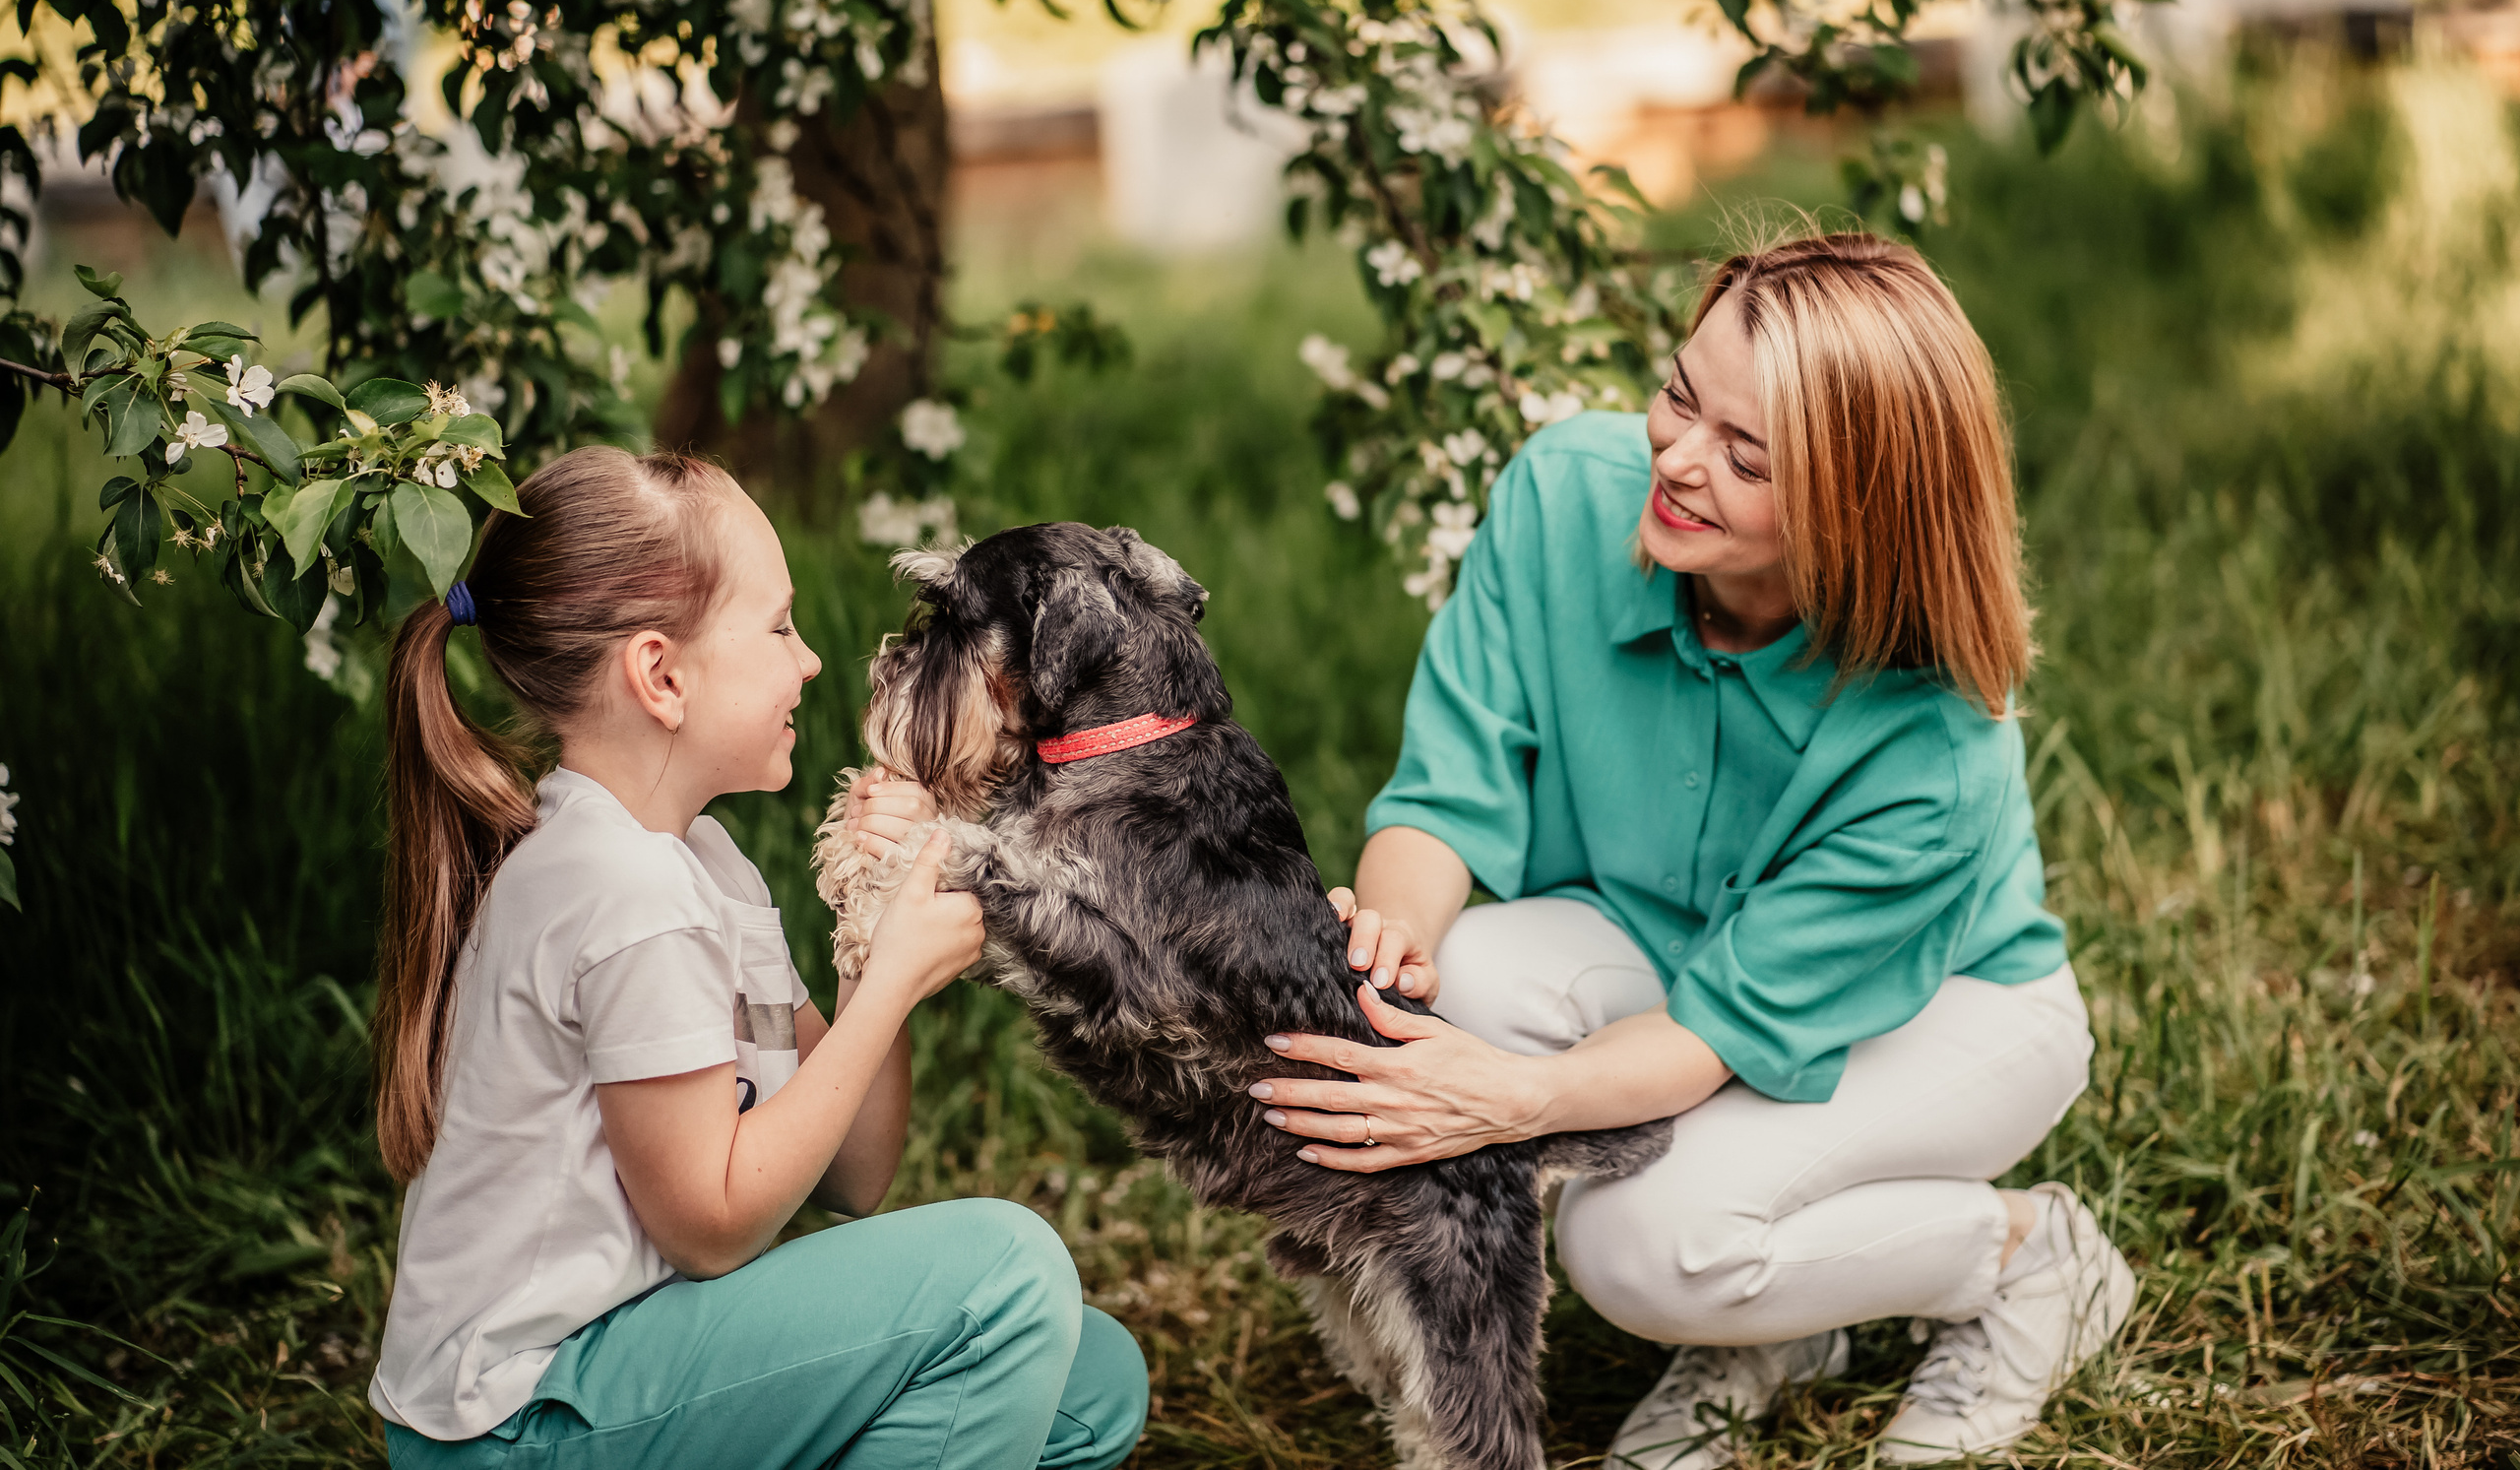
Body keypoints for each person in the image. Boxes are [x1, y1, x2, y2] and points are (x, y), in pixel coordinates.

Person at [1246, 233, 2134, 1467]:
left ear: (1858, 502)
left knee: (1644, 1245)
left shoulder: (1932, 743)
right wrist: (1384, 961)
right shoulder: (1560, 495)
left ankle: (2029, 1260)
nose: (1675, 457)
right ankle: (1783, 1321)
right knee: (1472, 980)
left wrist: (1514, 1101)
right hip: (1675, 935)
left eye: (1746, 455)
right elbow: (1445, 796)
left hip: (1949, 1012)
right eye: (1677, 394)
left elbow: (1718, 1029)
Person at [366, 446, 1147, 1470]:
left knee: (1091, 1384)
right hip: (517, 1425)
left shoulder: (700, 860)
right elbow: (713, 1229)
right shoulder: (620, 893)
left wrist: (874, 956)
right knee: (1006, 1277)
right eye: (778, 627)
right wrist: (899, 983)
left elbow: (853, 1175)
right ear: (661, 675)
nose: (811, 658)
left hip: (623, 1373)